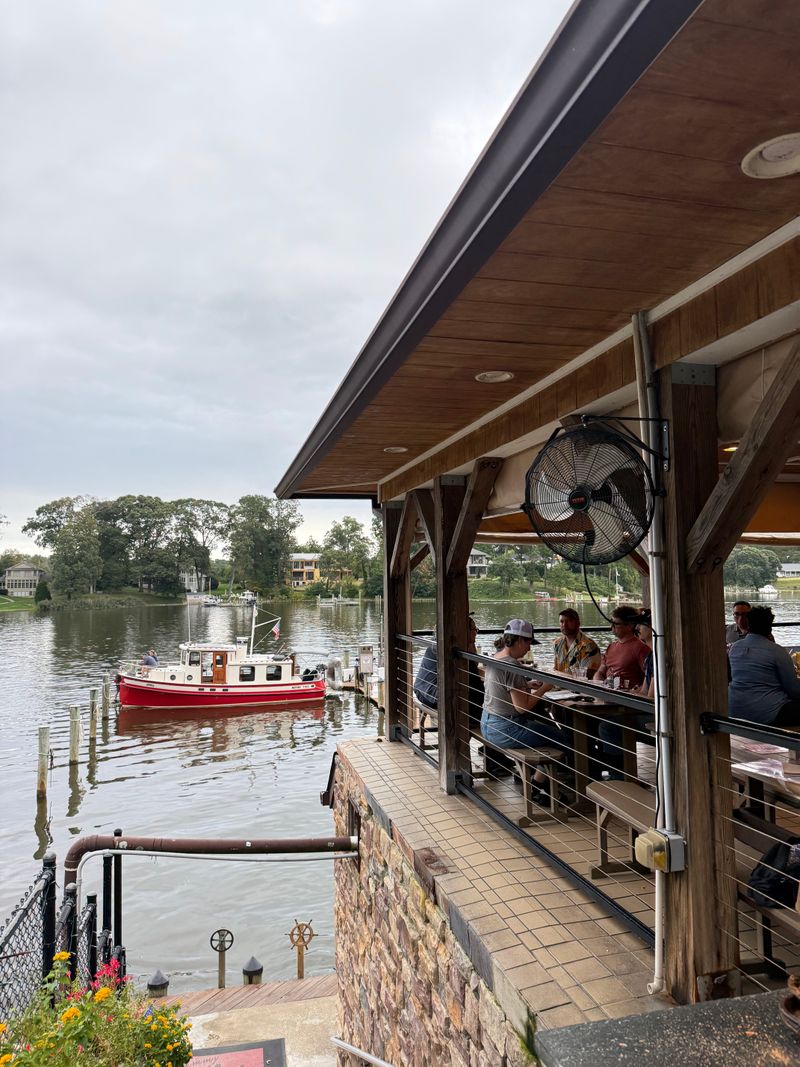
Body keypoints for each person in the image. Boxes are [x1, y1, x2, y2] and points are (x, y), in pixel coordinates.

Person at [480, 619, 569, 799]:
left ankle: (539, 781)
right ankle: (536, 786)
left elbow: (503, 686)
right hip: (506, 728)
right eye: (528, 642)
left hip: (488, 724)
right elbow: (522, 708)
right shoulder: (512, 665)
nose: (529, 648)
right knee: (563, 739)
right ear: (519, 640)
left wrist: (525, 684)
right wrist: (546, 687)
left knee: (545, 730)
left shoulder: (496, 657)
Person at [729, 606, 800, 725]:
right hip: (767, 712)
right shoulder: (777, 651)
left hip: (734, 708)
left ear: (748, 624)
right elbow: (793, 690)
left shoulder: (735, 648)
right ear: (769, 626)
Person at [594, 605, 650, 689]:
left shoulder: (641, 648)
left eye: (616, 624)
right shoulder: (611, 647)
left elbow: (650, 677)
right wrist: (600, 684)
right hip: (608, 693)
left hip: (628, 697)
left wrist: (636, 692)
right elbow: (600, 672)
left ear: (629, 626)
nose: (611, 626)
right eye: (611, 622)